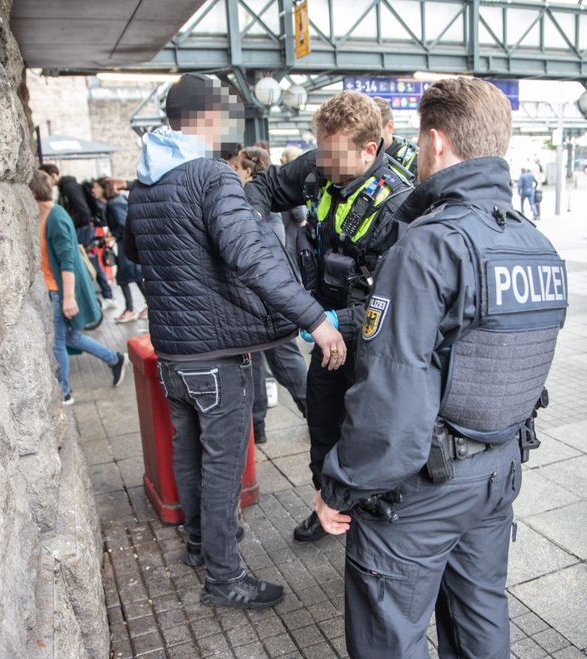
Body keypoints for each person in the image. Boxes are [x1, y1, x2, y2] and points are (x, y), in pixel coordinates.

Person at [313, 77, 566, 658]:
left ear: (436, 141)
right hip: (498, 472)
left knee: (389, 636)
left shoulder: (428, 245)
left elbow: (392, 403)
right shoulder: (536, 244)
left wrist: (340, 487)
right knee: (480, 617)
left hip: (424, 488)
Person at [125, 73, 347, 610]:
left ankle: (202, 544)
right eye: (223, 115)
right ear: (206, 119)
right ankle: (225, 579)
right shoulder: (210, 176)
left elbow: (135, 250)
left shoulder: (146, 181)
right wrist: (315, 320)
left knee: (189, 449)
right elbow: (253, 257)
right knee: (223, 464)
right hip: (214, 353)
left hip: (173, 351)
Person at [246, 90, 414, 542]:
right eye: (321, 151)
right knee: (321, 424)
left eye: (335, 156)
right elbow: (260, 188)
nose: (325, 164)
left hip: (372, 343)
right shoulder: (320, 163)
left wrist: (333, 322)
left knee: (368, 434)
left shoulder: (400, 206)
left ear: (370, 149)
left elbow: (400, 305)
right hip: (324, 330)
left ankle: (371, 519)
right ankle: (327, 502)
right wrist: (252, 230)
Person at [229, 146, 310, 442]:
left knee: (285, 363)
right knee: (258, 365)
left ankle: (313, 417)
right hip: (267, 295)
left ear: (248, 172)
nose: (231, 172)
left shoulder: (255, 205)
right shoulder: (251, 202)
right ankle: (258, 426)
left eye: (236, 168)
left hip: (271, 297)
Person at [30, 170, 128, 405]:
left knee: (59, 342)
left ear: (32, 193)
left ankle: (64, 392)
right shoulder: (48, 216)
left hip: (58, 290)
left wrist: (68, 298)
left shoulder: (56, 218)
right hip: (52, 288)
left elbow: (68, 261)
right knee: (70, 337)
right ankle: (114, 359)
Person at [38, 163, 118, 308]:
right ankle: (106, 296)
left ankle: (104, 296)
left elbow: (84, 212)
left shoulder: (69, 187)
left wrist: (67, 222)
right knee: (89, 262)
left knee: (88, 263)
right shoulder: (65, 188)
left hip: (83, 229)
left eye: (45, 177)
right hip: (83, 228)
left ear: (53, 176)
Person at [92, 178, 146, 323]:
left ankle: (132, 309)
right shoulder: (117, 201)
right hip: (127, 245)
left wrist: (109, 237)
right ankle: (146, 307)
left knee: (126, 277)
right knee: (133, 277)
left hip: (125, 246)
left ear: (104, 189)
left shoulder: (113, 204)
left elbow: (122, 226)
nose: (93, 190)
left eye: (96, 187)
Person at [373, 96, 418, 181]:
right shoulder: (361, 157)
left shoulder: (413, 162)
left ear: (390, 127)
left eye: (373, 133)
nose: (366, 139)